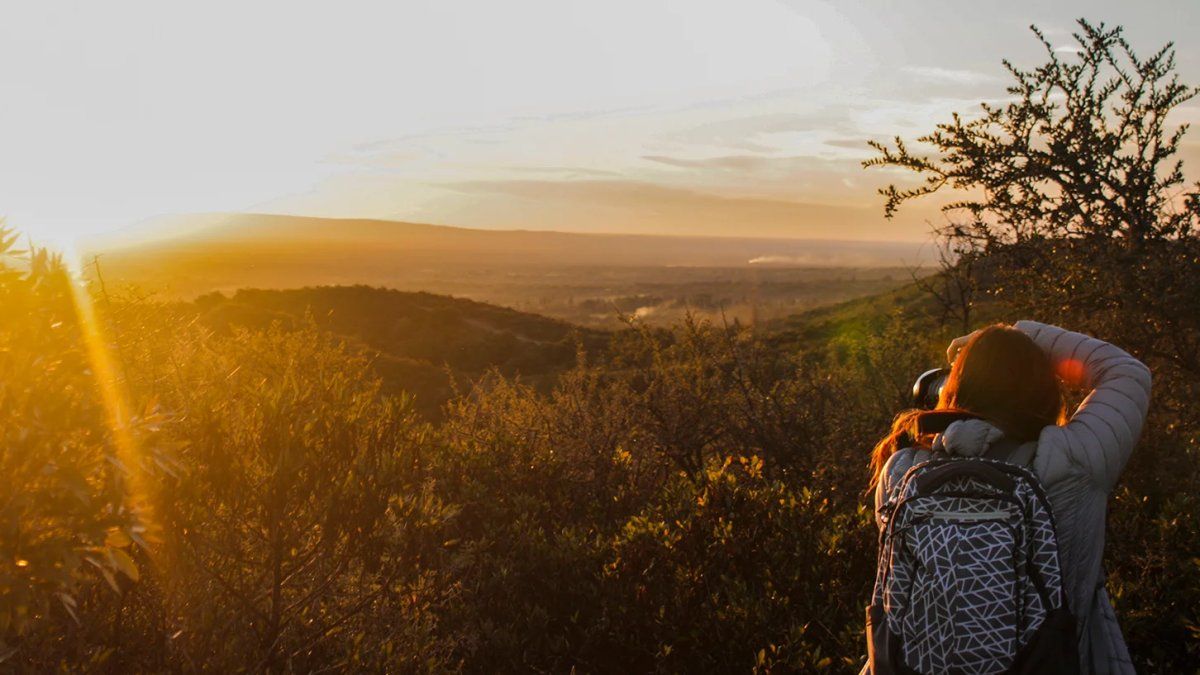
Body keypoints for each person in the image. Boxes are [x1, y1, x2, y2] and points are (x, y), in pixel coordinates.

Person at [870, 322, 1151, 674]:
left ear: (955, 386)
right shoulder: (1071, 461)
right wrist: (1021, 334)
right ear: (1045, 392)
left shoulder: (903, 469)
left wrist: (989, 346)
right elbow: (1126, 372)